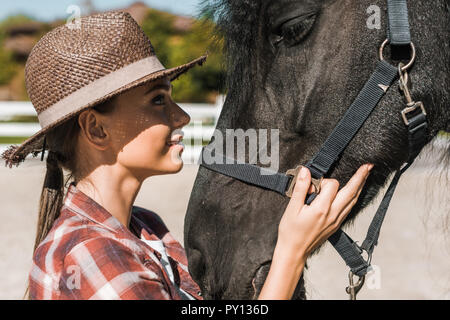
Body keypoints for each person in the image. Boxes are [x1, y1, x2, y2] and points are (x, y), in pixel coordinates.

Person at [1, 11, 372, 300]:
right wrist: (291, 252)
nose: (182, 116)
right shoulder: (90, 253)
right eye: (158, 100)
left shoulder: (143, 227)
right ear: (96, 129)